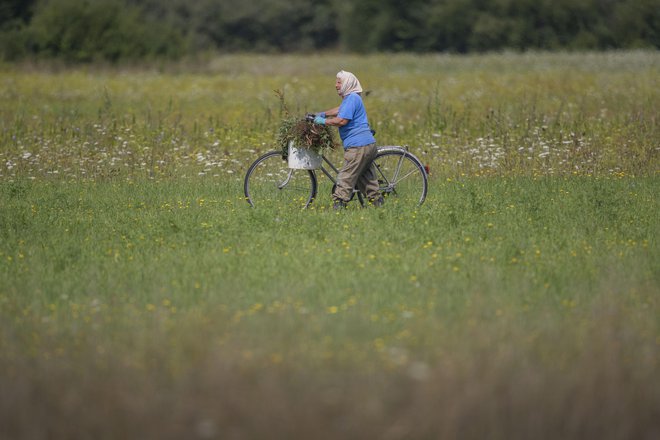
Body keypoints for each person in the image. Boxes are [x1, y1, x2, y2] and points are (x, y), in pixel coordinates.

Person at [313, 70, 384, 210]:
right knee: (366, 179)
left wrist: (321, 121)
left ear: (348, 83)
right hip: (366, 144)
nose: (336, 85)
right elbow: (340, 110)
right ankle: (378, 205)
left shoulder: (352, 98)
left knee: (346, 176)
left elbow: (342, 120)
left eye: (339, 82)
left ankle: (339, 205)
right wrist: (322, 114)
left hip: (358, 146)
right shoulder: (351, 98)